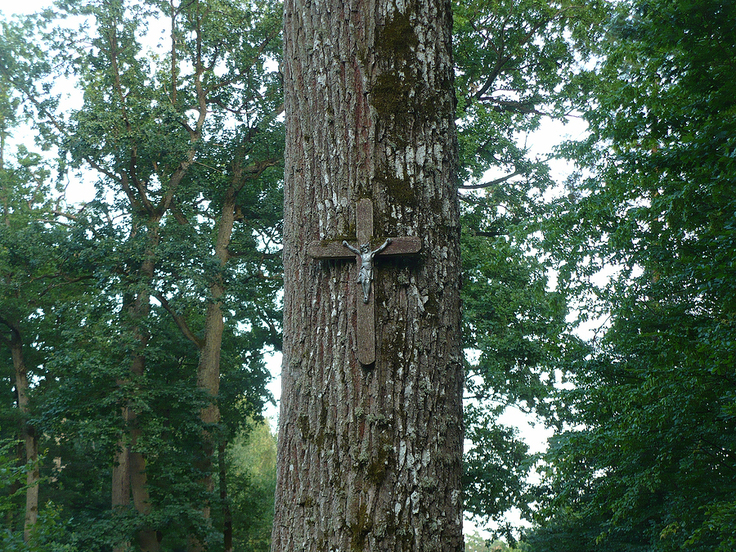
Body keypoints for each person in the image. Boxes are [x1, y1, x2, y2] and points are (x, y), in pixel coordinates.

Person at [342, 238, 392, 303]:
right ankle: (365, 294)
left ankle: (367, 295)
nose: (365, 250)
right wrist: (347, 245)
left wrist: (386, 242)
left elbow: (380, 249)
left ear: (368, 248)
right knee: (363, 281)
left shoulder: (371, 254)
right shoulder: (362, 255)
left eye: (366, 248)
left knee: (368, 281)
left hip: (369, 269)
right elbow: (354, 250)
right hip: (363, 269)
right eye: (363, 249)